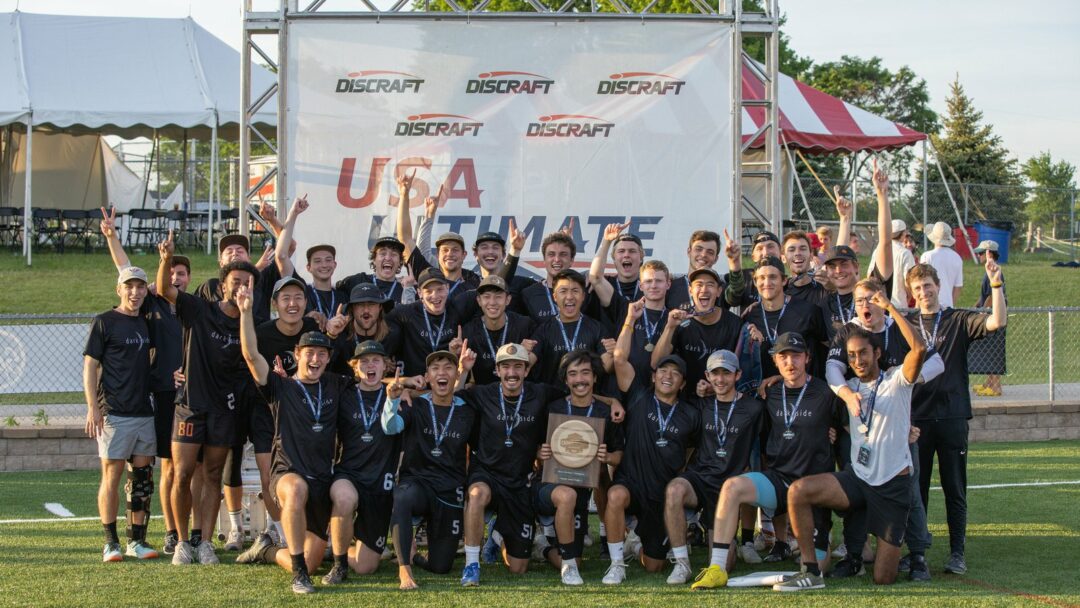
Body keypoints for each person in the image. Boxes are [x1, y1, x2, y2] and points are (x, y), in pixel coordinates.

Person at [778, 291, 928, 590]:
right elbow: (810, 391)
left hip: (891, 486)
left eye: (863, 353)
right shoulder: (847, 387)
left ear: (877, 353)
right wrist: (772, 380)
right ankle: (810, 570)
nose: (857, 360)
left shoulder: (897, 381)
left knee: (883, 578)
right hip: (858, 479)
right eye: (851, 355)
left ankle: (905, 553)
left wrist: (890, 308)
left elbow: (920, 348)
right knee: (798, 492)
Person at [692, 332, 842, 590]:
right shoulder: (769, 391)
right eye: (783, 357)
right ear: (775, 361)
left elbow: (845, 427)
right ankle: (717, 568)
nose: (790, 362)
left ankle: (815, 547)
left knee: (820, 566)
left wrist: (835, 432)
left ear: (807, 357)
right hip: (779, 481)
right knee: (732, 486)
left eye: (796, 355)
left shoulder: (827, 392)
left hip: (812, 489)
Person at [157, 230, 258, 565]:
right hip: (190, 406)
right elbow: (164, 290)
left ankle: (202, 540)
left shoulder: (249, 321)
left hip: (225, 410)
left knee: (213, 474)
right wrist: (166, 258)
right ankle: (183, 541)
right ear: (223, 283)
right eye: (236, 280)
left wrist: (246, 314)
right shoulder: (200, 309)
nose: (241, 286)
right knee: (183, 473)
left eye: (246, 281)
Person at [236, 283, 345, 594]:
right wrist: (246, 314)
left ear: (327, 358)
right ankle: (299, 574)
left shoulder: (335, 385)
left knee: (315, 560)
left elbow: (373, 380)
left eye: (321, 354)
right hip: (288, 472)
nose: (315, 359)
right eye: (309, 353)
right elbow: (250, 354)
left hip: (323, 479)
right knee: (295, 489)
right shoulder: (280, 387)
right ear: (297, 355)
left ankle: (269, 549)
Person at [906, 258, 1006, 575]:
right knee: (915, 490)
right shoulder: (905, 323)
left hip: (952, 417)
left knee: (954, 488)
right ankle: (915, 552)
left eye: (928, 286)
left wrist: (996, 284)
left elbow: (996, 322)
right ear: (912, 292)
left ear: (939, 287)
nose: (924, 292)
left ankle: (957, 553)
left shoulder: (959, 320)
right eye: (918, 288)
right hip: (916, 421)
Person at [100, 208, 189, 554]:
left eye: (183, 275)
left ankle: (150, 536)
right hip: (156, 398)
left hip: (186, 398)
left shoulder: (192, 306)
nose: (177, 279)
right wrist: (111, 237)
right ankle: (125, 539)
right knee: (157, 468)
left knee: (155, 473)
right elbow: (126, 272)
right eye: (173, 273)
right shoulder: (148, 301)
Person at [456, 343, 566, 585]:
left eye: (518, 366)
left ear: (527, 370)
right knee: (476, 494)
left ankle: (498, 535)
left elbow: (576, 399)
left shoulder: (541, 393)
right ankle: (472, 564)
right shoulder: (483, 393)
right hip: (487, 473)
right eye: (506, 367)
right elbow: (450, 399)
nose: (512, 373)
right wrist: (463, 371)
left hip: (519, 481)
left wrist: (612, 402)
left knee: (518, 568)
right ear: (497, 370)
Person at [662, 347, 765, 585]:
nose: (720, 379)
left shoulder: (754, 408)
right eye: (715, 373)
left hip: (728, 487)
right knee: (674, 489)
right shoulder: (700, 405)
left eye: (726, 373)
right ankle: (681, 563)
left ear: (737, 375)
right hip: (700, 478)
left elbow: (768, 441)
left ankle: (729, 542)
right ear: (707, 376)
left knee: (723, 565)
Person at [381, 350, 478, 590]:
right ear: (427, 377)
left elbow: (479, 447)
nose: (442, 373)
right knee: (402, 496)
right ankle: (404, 568)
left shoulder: (467, 410)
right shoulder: (416, 404)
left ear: (456, 375)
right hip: (418, 482)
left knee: (441, 567)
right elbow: (390, 428)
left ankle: (415, 555)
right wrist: (392, 400)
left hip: (449, 489)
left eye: (448, 368)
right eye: (435, 369)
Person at [603, 347, 699, 584]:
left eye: (675, 373)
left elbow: (691, 449)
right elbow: (619, 359)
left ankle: (635, 545)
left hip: (661, 495)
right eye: (663, 370)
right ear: (654, 376)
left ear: (683, 383)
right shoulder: (638, 395)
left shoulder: (691, 413)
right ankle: (616, 564)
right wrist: (613, 399)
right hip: (632, 483)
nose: (668, 376)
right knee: (615, 495)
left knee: (654, 566)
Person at [83, 266, 158, 562]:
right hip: (115, 413)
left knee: (141, 480)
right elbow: (90, 366)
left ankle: (135, 541)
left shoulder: (146, 322)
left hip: (144, 412)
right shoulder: (104, 321)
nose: (135, 292)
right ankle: (110, 542)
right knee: (111, 478)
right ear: (119, 289)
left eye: (140, 287)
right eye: (129, 286)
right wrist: (92, 407)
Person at [534, 351, 624, 585]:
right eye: (573, 374)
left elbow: (619, 454)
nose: (579, 379)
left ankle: (543, 550)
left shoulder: (606, 413)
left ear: (595, 378)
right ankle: (568, 567)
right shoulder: (552, 407)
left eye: (585, 373)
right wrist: (539, 453)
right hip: (550, 485)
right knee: (566, 494)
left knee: (577, 555)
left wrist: (608, 457)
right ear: (565, 380)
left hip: (582, 489)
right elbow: (534, 448)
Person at [319, 340, 400, 584]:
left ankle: (335, 550)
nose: (370, 365)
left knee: (366, 568)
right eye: (363, 361)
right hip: (349, 475)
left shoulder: (398, 395)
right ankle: (339, 564)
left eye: (376, 360)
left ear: (386, 365)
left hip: (379, 486)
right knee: (344, 498)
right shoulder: (343, 393)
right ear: (355, 367)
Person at [651, 266, 744, 397]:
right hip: (685, 400)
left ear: (719, 291)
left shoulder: (735, 324)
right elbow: (656, 363)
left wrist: (717, 385)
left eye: (710, 284)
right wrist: (669, 328)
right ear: (690, 291)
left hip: (721, 399)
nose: (704, 289)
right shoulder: (679, 321)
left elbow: (742, 369)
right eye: (699, 284)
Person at [396, 171, 481, 294]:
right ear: (437, 255)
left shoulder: (474, 283)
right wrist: (404, 195)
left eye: (455, 250)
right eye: (445, 250)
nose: (450, 254)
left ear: (464, 255)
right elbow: (405, 238)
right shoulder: (428, 275)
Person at [273, 194, 346, 329]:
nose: (324, 265)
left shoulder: (343, 295)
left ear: (334, 265)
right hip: (309, 349)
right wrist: (293, 213)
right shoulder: (302, 290)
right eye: (317, 261)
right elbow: (281, 255)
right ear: (308, 267)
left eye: (328, 260)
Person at [529, 270, 612, 386]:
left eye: (575, 291)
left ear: (583, 296)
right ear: (555, 296)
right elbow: (528, 364)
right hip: (554, 400)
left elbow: (607, 367)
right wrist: (523, 354)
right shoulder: (543, 330)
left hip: (587, 397)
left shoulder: (597, 328)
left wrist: (614, 354)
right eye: (563, 291)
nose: (569, 297)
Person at [458, 275, 536, 385]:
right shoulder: (469, 331)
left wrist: (525, 353)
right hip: (485, 397)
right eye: (486, 297)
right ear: (479, 300)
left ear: (508, 300)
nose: (492, 302)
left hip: (518, 394)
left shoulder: (524, 326)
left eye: (498, 297)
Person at [386, 268, 464, 376]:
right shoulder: (405, 313)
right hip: (415, 388)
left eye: (440, 289)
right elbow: (379, 323)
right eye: (428, 291)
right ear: (419, 293)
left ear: (447, 288)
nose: (435, 296)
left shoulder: (458, 308)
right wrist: (384, 356)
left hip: (446, 384)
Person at [327, 283, 400, 376]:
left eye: (371, 304)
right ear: (352, 309)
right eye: (360, 304)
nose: (366, 310)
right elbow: (324, 372)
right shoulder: (340, 334)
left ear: (380, 307)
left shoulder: (392, 335)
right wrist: (332, 336)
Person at [667, 229, 745, 312]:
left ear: (716, 259)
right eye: (698, 249)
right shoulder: (670, 287)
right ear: (689, 252)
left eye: (710, 252)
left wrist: (734, 261)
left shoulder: (720, 288)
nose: (703, 255)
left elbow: (736, 295)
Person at [588, 222, 646, 327]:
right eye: (621, 251)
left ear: (641, 257)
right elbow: (595, 277)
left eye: (632, 251)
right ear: (614, 258)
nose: (626, 255)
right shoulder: (607, 283)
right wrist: (607, 240)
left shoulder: (651, 286)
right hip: (610, 342)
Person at [518, 230, 583, 322]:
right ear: (544, 260)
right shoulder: (529, 294)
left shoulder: (583, 291)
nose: (557, 259)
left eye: (563, 254)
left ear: (572, 260)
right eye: (551, 254)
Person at [971, 240, 1007, 396]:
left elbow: (993, 296)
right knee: (988, 349)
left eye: (981, 253)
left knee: (994, 349)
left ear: (989, 254)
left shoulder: (996, 272)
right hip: (987, 313)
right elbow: (983, 296)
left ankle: (996, 386)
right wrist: (974, 307)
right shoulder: (987, 273)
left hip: (994, 315)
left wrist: (984, 311)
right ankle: (989, 382)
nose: (978, 255)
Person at [335, 235, 410, 307]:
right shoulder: (358, 280)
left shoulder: (406, 288)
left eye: (393, 254)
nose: (388, 258)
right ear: (374, 259)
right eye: (383, 254)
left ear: (400, 261)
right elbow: (331, 291)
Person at [868, 219, 917, 309]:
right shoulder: (905, 253)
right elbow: (909, 280)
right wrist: (909, 297)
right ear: (903, 234)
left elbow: (869, 275)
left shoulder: (877, 250)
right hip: (898, 304)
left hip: (879, 303)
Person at [919, 222, 964, 309]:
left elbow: (921, 282)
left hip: (929, 304)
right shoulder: (957, 258)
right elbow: (958, 286)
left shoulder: (927, 256)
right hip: (948, 306)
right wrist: (951, 305)